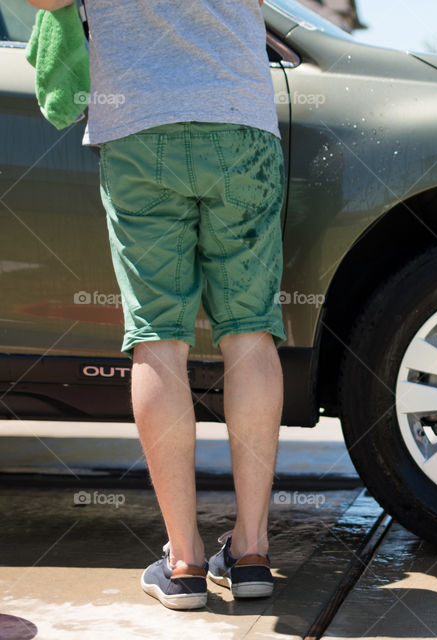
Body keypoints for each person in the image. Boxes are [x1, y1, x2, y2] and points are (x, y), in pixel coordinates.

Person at [26, 0, 285, 610]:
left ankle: (186, 561)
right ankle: (250, 553)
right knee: (249, 332)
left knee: (157, 336)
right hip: (238, 120)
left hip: (140, 127)